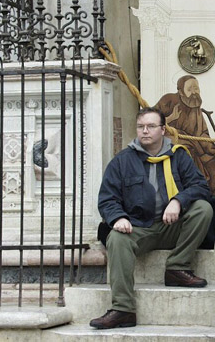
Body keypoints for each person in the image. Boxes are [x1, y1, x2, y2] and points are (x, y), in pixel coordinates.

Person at [89, 107, 213, 330]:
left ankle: (177, 267)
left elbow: (200, 187)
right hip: (139, 228)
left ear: (163, 130)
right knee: (116, 238)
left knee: (203, 208)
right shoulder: (122, 161)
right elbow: (107, 198)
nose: (145, 131)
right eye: (140, 127)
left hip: (172, 227)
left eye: (151, 126)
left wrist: (178, 201)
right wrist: (118, 218)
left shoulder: (179, 155)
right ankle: (123, 309)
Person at [155, 75, 215, 195]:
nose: (194, 92)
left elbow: (201, 134)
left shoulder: (195, 107)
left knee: (211, 160)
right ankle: (192, 192)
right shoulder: (168, 100)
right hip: (171, 142)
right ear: (181, 92)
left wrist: (210, 145)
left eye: (196, 88)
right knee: (186, 152)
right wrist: (171, 118)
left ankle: (209, 194)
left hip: (195, 144)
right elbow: (150, 121)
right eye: (189, 89)